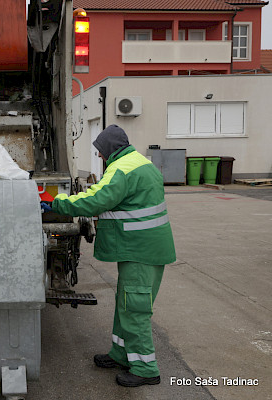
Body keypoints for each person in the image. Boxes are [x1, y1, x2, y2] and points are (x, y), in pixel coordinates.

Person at [45, 124, 175, 387]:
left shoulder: (122, 170)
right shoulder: (137, 162)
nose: (100, 157)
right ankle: (121, 354)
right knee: (126, 305)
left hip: (140, 251)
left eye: (101, 152)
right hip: (142, 248)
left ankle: (145, 368)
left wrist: (55, 203)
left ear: (109, 149)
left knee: (135, 309)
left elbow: (96, 200)